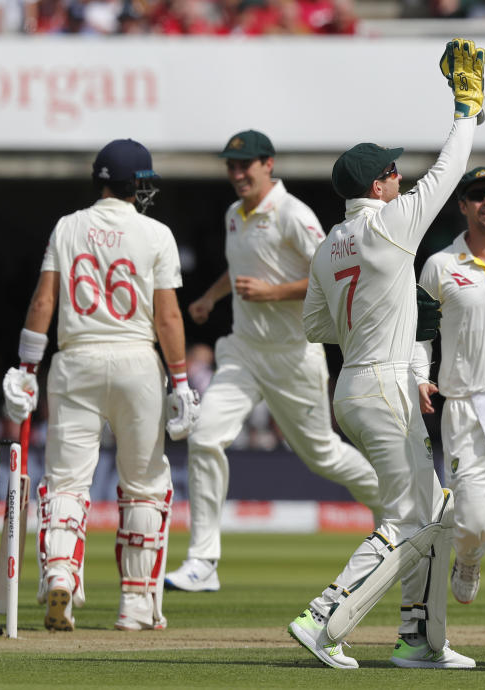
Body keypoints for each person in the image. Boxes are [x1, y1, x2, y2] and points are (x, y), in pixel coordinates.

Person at [289, 38, 485, 671]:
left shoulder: (328, 246)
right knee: (409, 519)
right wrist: (465, 111)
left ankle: (419, 641)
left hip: (355, 383)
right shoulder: (389, 223)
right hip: (380, 388)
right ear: (377, 185)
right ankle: (325, 618)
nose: (401, 177)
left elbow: (317, 323)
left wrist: (382, 318)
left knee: (434, 515)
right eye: (393, 172)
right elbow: (447, 173)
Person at [164, 129, 382, 593]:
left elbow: (335, 274)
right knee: (204, 438)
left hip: (292, 355)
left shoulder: (292, 214)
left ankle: (394, 505)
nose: (238, 173)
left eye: (246, 165)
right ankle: (204, 561)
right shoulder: (232, 215)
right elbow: (239, 267)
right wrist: (209, 297)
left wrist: (272, 293)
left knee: (322, 454)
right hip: (243, 351)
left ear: (269, 165)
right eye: (232, 166)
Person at [1, 139, 199, 632]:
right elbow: (168, 315)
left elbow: (43, 302)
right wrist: (181, 381)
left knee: (66, 481)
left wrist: (26, 369)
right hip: (138, 365)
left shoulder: (68, 226)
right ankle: (135, 605)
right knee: (145, 486)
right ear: (137, 185)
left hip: (76, 362)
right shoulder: (156, 233)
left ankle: (60, 575)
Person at [411, 166, 485, 609]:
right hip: (466, 404)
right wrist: (419, 376)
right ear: (463, 205)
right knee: (472, 523)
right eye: (478, 195)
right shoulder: (440, 265)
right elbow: (420, 334)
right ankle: (469, 559)